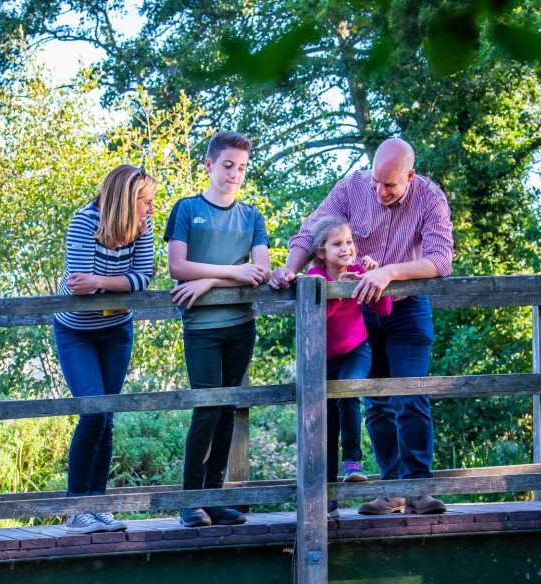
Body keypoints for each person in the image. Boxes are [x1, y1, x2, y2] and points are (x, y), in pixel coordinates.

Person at [270, 138, 454, 515]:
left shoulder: (430, 197)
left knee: (410, 395)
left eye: (390, 185)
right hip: (360, 309)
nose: (380, 191)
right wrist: (290, 269)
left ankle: (417, 486)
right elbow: (311, 232)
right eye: (376, 182)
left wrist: (390, 272)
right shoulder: (352, 187)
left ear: (410, 176)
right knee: (375, 401)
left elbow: (441, 259)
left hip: (406, 307)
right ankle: (391, 491)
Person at [166, 130, 271, 528]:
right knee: (207, 409)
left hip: (241, 325)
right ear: (209, 165)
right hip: (201, 328)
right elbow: (178, 267)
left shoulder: (252, 217)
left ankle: (215, 498)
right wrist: (232, 272)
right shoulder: (187, 209)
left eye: (241, 168)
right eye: (227, 166)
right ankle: (191, 501)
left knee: (228, 410)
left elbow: (258, 273)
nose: (234, 174)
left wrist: (209, 280)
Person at [55, 165, 156, 533]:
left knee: (108, 414)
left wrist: (100, 280)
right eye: (145, 202)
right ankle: (76, 509)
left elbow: (143, 277)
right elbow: (77, 284)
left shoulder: (141, 229)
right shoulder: (84, 222)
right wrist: (113, 284)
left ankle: (98, 505)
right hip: (76, 332)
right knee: (93, 412)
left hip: (116, 330)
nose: (150, 210)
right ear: (126, 199)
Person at [305, 216, 392, 518]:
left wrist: (374, 278)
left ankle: (352, 461)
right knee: (326, 420)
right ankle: (329, 500)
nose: (347, 249)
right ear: (321, 251)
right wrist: (339, 292)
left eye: (350, 242)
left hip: (357, 350)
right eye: (338, 244)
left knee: (349, 392)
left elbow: (384, 309)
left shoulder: (358, 271)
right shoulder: (315, 276)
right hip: (323, 358)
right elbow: (319, 317)